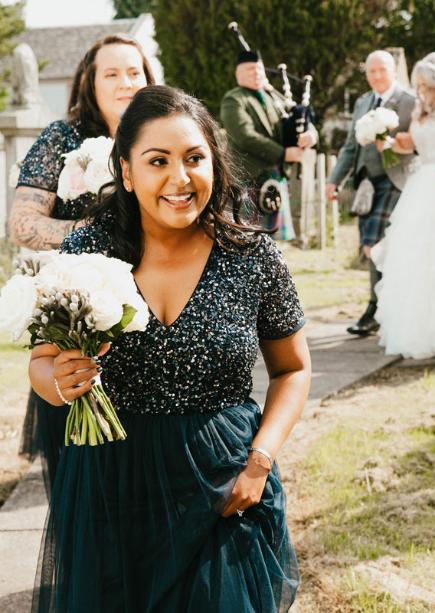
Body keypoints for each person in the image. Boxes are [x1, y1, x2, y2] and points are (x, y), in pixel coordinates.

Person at [29, 85, 311, 612]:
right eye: (157, 161)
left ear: (215, 163)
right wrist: (59, 382)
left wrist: (260, 463)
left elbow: (293, 369)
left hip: (222, 485)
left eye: (194, 158)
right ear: (127, 172)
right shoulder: (89, 250)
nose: (179, 179)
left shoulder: (252, 256)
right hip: (111, 483)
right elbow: (41, 363)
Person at [8, 33, 155, 493]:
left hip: (153, 306)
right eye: (111, 73)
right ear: (89, 84)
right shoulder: (63, 137)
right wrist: (98, 236)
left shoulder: (164, 129)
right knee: (87, 477)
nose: (125, 82)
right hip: (80, 312)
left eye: (134, 72)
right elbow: (23, 223)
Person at [368, 54, 435, 360]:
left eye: (425, 85)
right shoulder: (421, 108)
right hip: (419, 185)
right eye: (417, 85)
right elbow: (413, 144)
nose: (420, 90)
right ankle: (412, 329)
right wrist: (388, 141)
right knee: (411, 256)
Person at [326, 50, 417, 336]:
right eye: (371, 71)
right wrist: (334, 180)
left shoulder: (409, 100)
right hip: (366, 184)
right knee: (370, 246)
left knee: (377, 243)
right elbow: (352, 146)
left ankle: (377, 308)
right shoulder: (362, 102)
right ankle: (382, 307)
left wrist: (390, 142)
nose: (376, 76)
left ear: (392, 71)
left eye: (381, 70)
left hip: (396, 181)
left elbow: (416, 142)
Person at [220, 47, 318, 241]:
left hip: (273, 178)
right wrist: (283, 154)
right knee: (245, 240)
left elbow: (299, 118)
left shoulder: (274, 99)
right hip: (248, 179)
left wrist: (312, 135)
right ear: (238, 74)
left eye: (259, 69)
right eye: (250, 69)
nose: (256, 73)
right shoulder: (233, 99)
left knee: (273, 246)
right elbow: (245, 136)